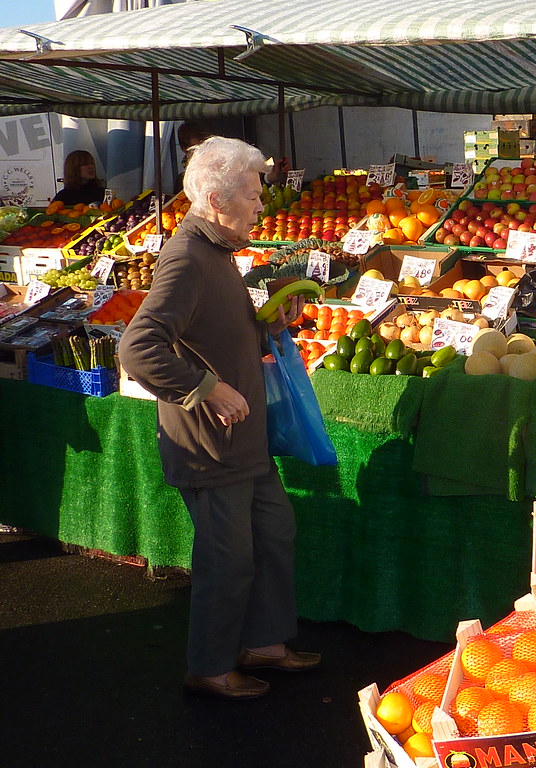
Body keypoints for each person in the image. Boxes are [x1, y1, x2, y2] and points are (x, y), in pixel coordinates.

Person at [119, 136, 319, 701]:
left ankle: (265, 643)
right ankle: (208, 667)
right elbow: (138, 348)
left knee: (275, 534)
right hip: (212, 444)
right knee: (227, 559)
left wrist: (268, 325)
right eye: (253, 197)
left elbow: (214, 334)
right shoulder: (186, 257)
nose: (261, 207)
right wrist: (205, 388)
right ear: (215, 199)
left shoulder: (219, 252)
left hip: (245, 441)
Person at [177, 120, 290, 189]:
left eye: (204, 146)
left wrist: (271, 177)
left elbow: (245, 183)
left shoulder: (222, 167)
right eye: (195, 149)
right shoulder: (183, 181)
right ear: (184, 149)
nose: (201, 153)